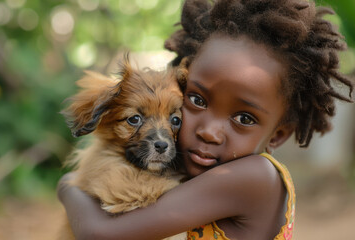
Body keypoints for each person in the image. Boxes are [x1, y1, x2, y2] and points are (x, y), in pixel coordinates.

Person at [57, 0, 354, 239]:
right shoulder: (209, 171)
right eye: (197, 101)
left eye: (243, 118)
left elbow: (99, 232)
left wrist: (68, 185)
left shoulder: (253, 176)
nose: (209, 132)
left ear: (277, 136)